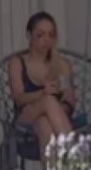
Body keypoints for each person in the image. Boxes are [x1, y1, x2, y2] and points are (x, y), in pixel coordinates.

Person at [8, 11, 75, 152]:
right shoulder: (18, 63)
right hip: (26, 117)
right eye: (40, 35)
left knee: (44, 124)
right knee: (48, 101)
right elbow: (19, 98)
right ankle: (73, 152)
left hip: (55, 119)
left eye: (51, 35)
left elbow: (69, 99)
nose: (46, 40)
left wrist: (56, 112)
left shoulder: (62, 65)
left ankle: (53, 167)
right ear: (29, 36)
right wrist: (42, 93)